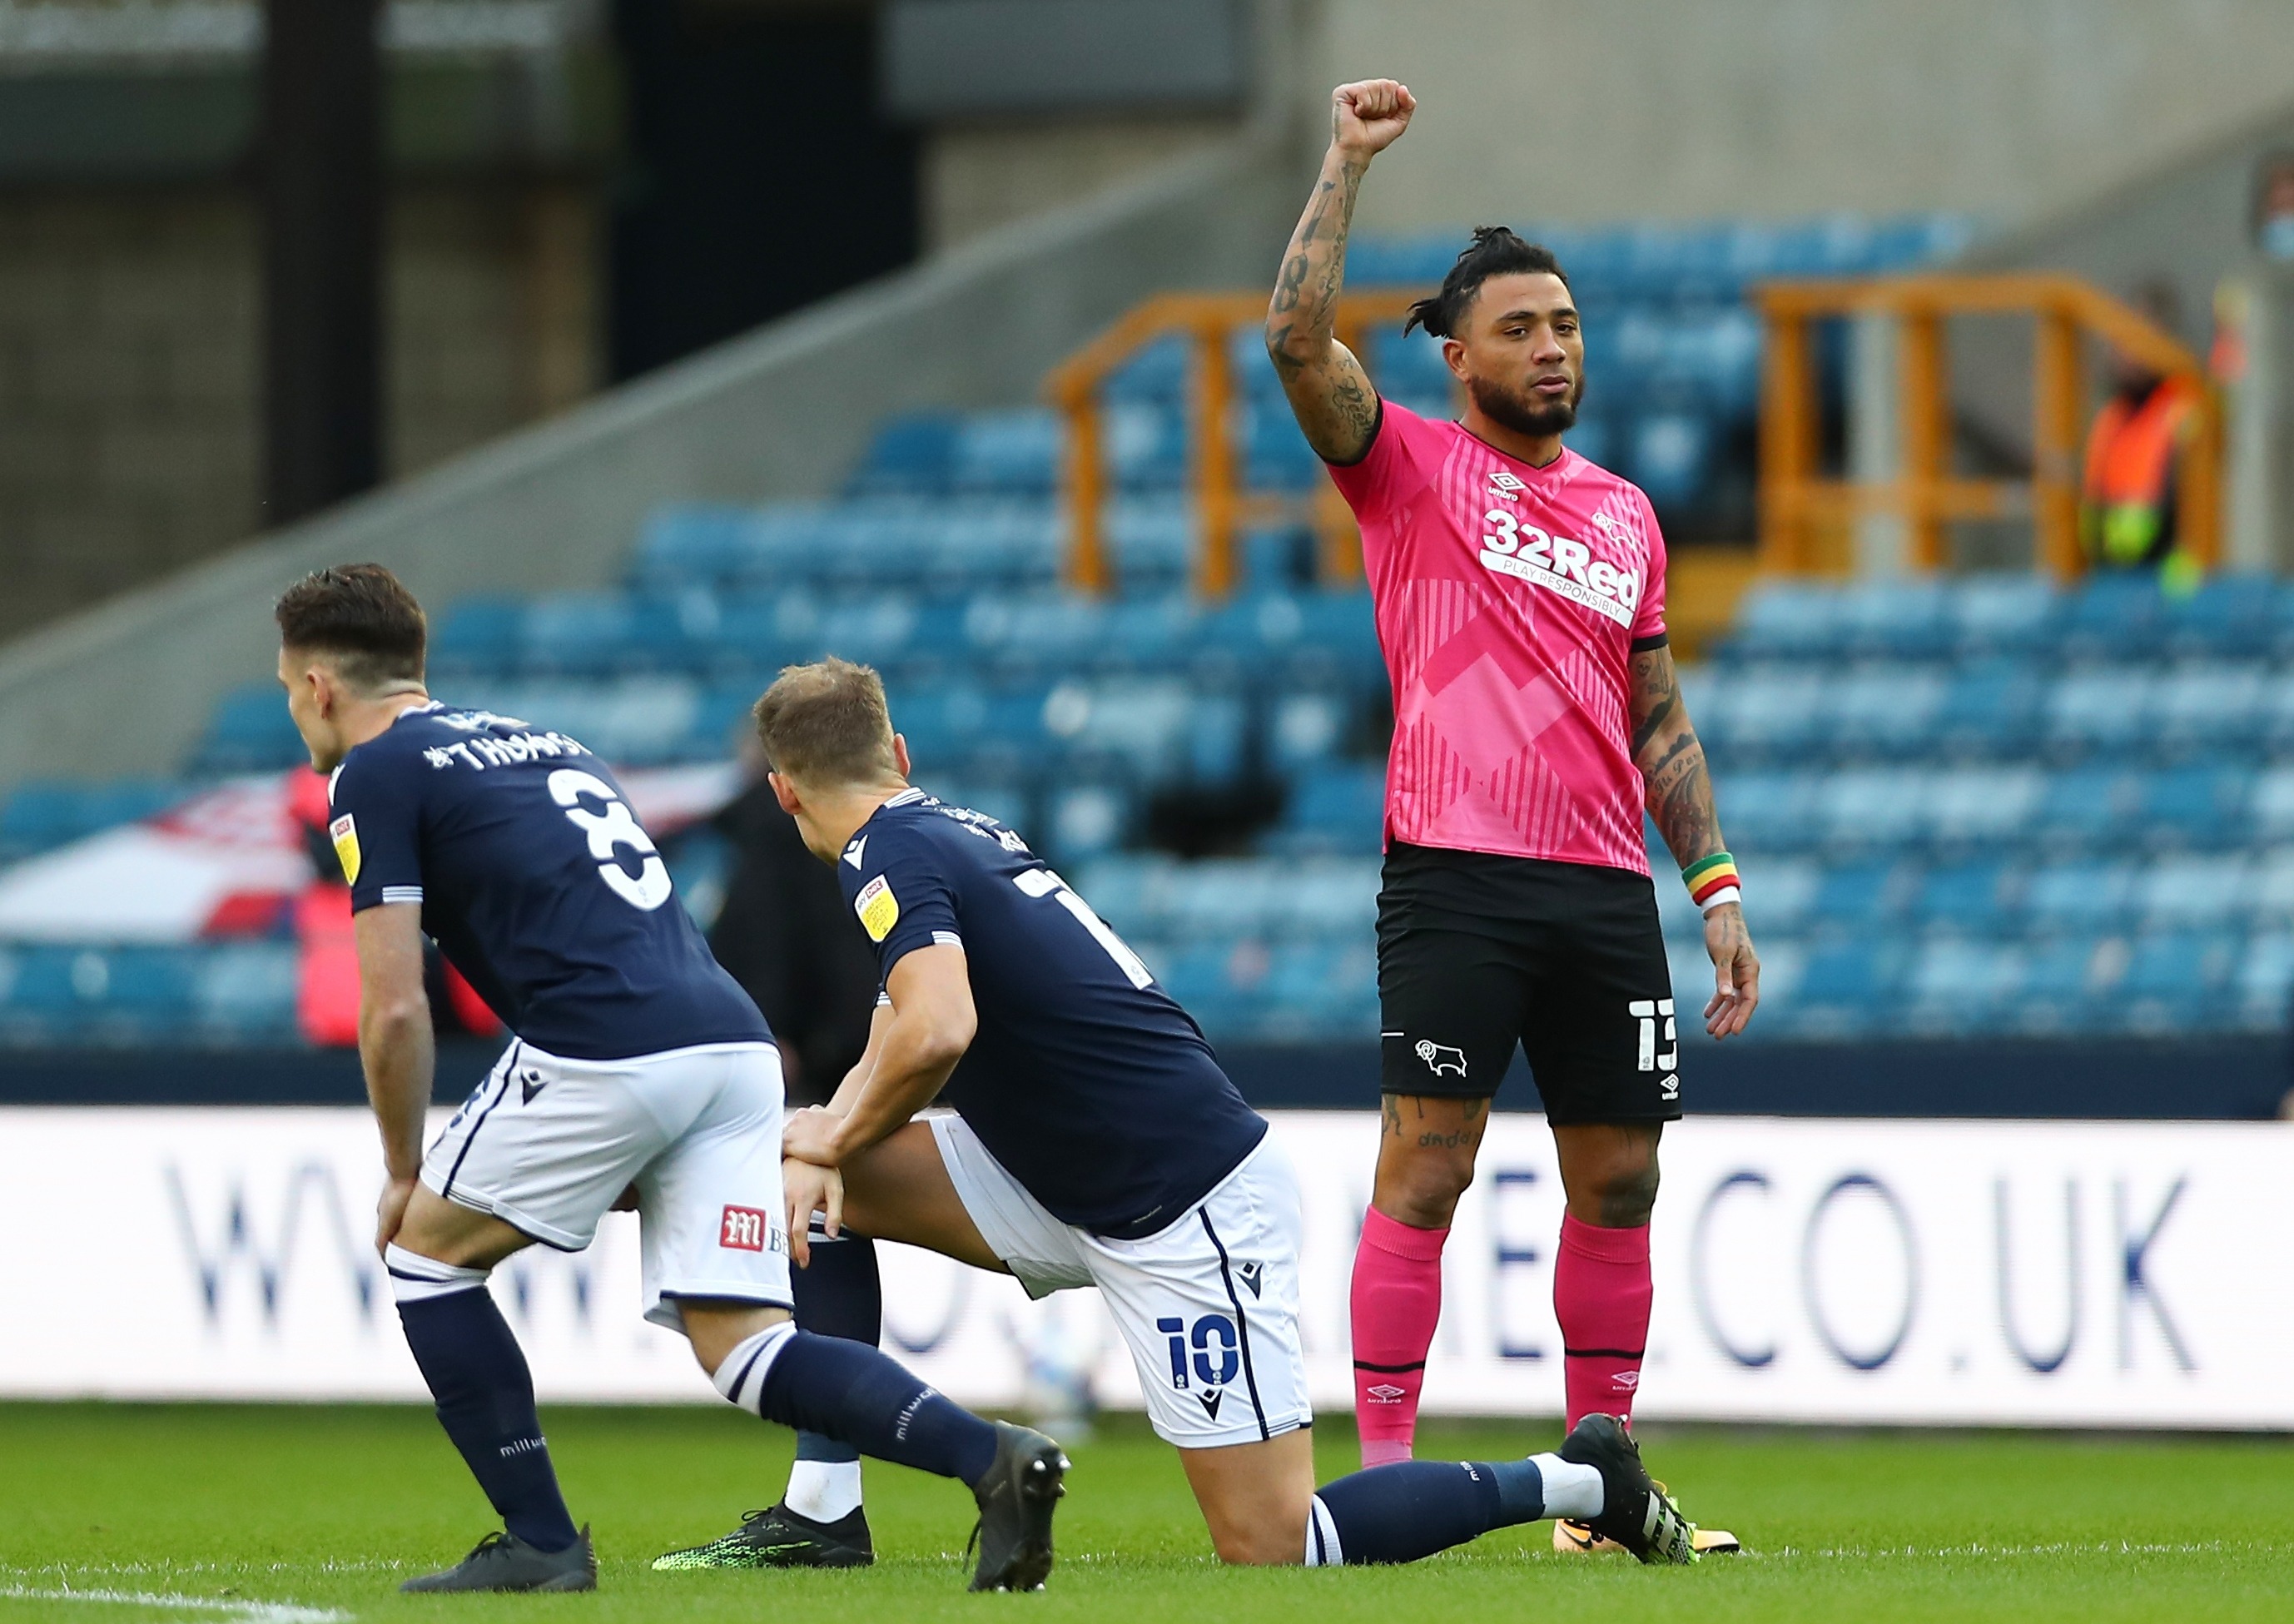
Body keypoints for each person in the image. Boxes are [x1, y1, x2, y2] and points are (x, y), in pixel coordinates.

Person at [661, 657, 1702, 1572]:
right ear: (898, 746)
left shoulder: (885, 857)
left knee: (1275, 1545)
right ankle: (822, 1510)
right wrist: (823, 1139)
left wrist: (833, 1133)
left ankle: (1578, 1480)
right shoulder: (945, 831)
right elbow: (901, 1016)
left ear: (781, 790)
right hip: (1057, 1174)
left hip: (1182, 1201)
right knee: (796, 1168)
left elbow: (937, 1027)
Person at [274, 564, 1066, 1595]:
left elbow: (392, 1006)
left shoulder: (373, 773)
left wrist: (399, 1167)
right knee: (738, 1346)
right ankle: (988, 1457)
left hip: (605, 1045)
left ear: (321, 687)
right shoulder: (545, 743)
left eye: (292, 690)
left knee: (425, 1254)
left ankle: (541, 1541)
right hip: (730, 1045)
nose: (298, 712)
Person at [1262, 80, 1755, 1555]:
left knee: (1621, 1173)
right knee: (1427, 1162)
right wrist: (1346, 164)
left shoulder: (1624, 514)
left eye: (1568, 327)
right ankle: (1383, 1483)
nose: (1555, 349)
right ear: (1457, 354)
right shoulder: (1404, 467)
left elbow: (1655, 713)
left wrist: (1715, 887)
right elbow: (1294, 338)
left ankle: (1601, 1486)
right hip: (1455, 875)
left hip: (1605, 888)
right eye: (1523, 329)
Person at [698, 742, 887, 1555]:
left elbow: (756, 964)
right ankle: (821, 1501)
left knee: (811, 1192)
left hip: (870, 1080)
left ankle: (829, 1499)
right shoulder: (922, 839)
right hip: (926, 1088)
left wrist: (817, 1118)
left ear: (777, 781)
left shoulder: (768, 844)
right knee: (821, 1196)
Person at [2079, 281, 2205, 578]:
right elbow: (2092, 513)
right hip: (2112, 577)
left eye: (2140, 338)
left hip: (2172, 586)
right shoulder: (2109, 419)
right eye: (2121, 340)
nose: (2127, 354)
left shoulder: (2187, 409)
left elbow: (2177, 517)